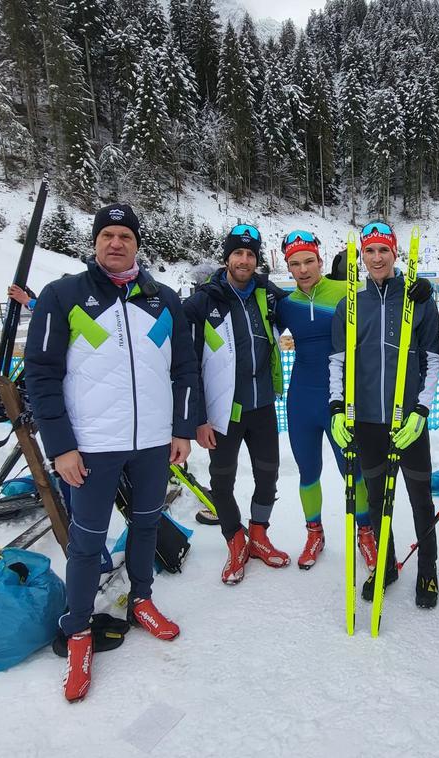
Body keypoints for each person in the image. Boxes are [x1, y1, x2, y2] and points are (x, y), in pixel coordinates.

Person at [24, 203, 198, 703]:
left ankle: (141, 600)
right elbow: (41, 374)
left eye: (125, 235)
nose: (116, 243)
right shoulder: (63, 297)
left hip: (151, 443)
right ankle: (77, 628)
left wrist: (180, 429)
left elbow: (183, 369)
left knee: (146, 523)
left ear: (137, 244)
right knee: (87, 540)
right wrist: (61, 447)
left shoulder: (162, 300)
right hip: (93, 447)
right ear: (95, 243)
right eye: (107, 235)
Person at [328, 220, 439, 608]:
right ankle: (387, 564)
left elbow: (432, 359)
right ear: (362, 257)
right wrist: (338, 409)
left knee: (419, 497)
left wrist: (421, 410)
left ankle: (428, 569)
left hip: (406, 420)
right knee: (377, 497)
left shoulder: (417, 300)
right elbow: (337, 362)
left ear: (396, 254)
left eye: (384, 250)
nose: (377, 258)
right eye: (370, 251)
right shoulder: (349, 304)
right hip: (367, 421)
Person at [183, 224, 289, 585]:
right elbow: (188, 363)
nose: (244, 260)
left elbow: (307, 303)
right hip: (221, 412)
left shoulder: (267, 294)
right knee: (222, 480)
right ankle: (235, 540)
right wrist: (197, 418)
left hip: (261, 408)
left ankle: (258, 534)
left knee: (268, 475)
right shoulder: (204, 301)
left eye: (250, 254)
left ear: (257, 260)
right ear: (226, 257)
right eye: (238, 253)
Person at [274, 230, 375, 569]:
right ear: (287, 267)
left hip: (339, 395)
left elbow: (382, 298)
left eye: (308, 261)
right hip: (301, 397)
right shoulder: (286, 305)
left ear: (319, 260)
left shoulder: (348, 290)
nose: (303, 269)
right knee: (308, 470)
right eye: (294, 264)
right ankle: (314, 533)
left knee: (353, 467)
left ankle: (365, 532)